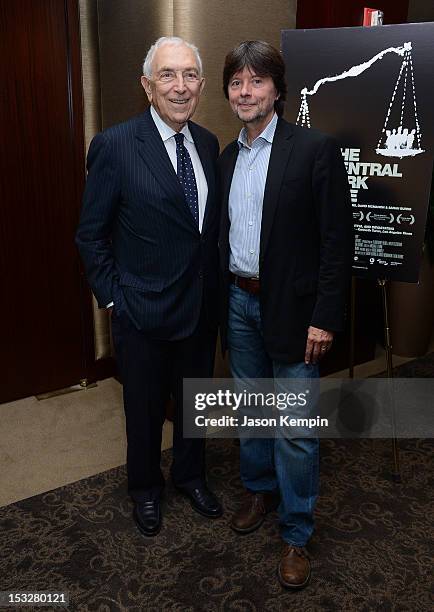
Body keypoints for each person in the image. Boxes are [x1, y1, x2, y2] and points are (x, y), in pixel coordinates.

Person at [218, 41, 353, 588]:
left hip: (296, 313)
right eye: (236, 83)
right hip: (238, 301)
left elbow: (335, 242)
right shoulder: (226, 157)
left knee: (295, 430)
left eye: (256, 81)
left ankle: (296, 532)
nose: (245, 92)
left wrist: (324, 317)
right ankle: (257, 490)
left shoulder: (313, 149)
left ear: (276, 87)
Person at [76, 36, 222, 538]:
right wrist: (116, 299)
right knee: (142, 411)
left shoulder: (206, 143)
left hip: (199, 309)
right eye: (167, 75)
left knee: (195, 403)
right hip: (141, 312)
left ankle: (190, 475)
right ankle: (145, 489)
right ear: (147, 85)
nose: (180, 86)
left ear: (201, 84)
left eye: (189, 75)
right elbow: (91, 235)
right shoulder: (115, 145)